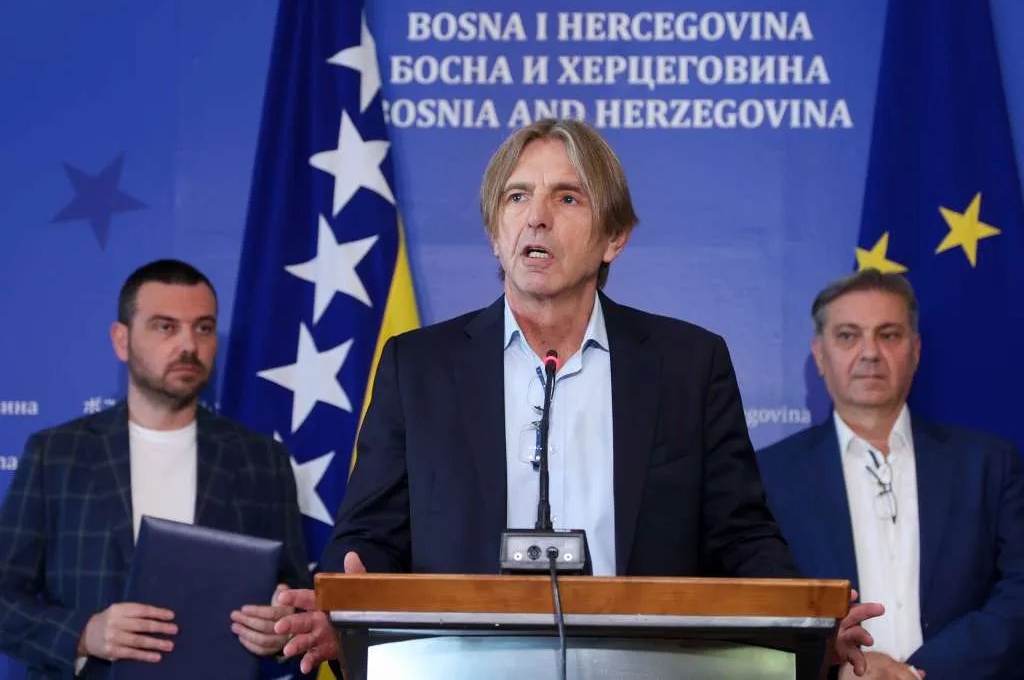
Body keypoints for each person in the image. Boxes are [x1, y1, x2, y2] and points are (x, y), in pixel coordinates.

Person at [274, 119, 881, 674]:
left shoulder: (688, 366)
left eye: (567, 198)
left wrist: (809, 627)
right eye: (517, 197)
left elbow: (740, 537)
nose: (536, 218)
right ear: (495, 235)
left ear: (614, 237)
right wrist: (340, 606)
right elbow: (370, 537)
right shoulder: (419, 368)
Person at [0, 259, 310, 679]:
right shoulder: (56, 454)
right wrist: (83, 634)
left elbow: (294, 598)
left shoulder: (262, 459)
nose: (189, 345)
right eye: (166, 327)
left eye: (203, 328)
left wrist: (280, 628)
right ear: (121, 340)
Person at [758, 270, 1024, 680]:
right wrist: (837, 666)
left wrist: (917, 673)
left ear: (915, 351)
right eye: (848, 336)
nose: (870, 352)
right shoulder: (768, 476)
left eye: (889, 335)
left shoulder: (989, 464)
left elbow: (1018, 590)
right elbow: (756, 605)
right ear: (820, 355)